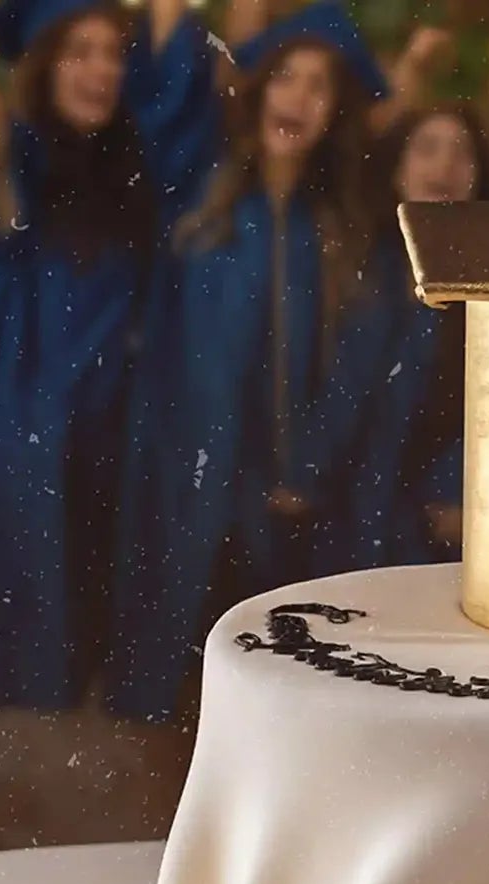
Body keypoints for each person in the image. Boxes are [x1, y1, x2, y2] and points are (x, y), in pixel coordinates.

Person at [0, 0, 213, 849]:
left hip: (131, 426)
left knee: (143, 610)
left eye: (111, 54)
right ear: (43, 67)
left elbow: (180, 45)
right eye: (78, 53)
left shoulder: (140, 159)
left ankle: (174, 830)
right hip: (34, 425)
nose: (100, 70)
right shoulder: (23, 162)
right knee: (8, 598)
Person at [106, 0, 388, 729]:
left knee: (284, 689)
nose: (298, 96)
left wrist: (310, 471)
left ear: (337, 112)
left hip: (291, 494)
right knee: (178, 682)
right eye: (286, 76)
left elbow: (357, 370)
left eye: (320, 85)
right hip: (193, 479)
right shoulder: (200, 202)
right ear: (259, 90)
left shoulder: (346, 230)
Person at [286, 105, 489, 571]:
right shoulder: (361, 271)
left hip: (444, 532)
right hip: (347, 524)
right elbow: (339, 394)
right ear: (399, 173)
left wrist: (461, 493)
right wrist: (301, 477)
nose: (445, 165)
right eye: (427, 149)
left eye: (462, 153)